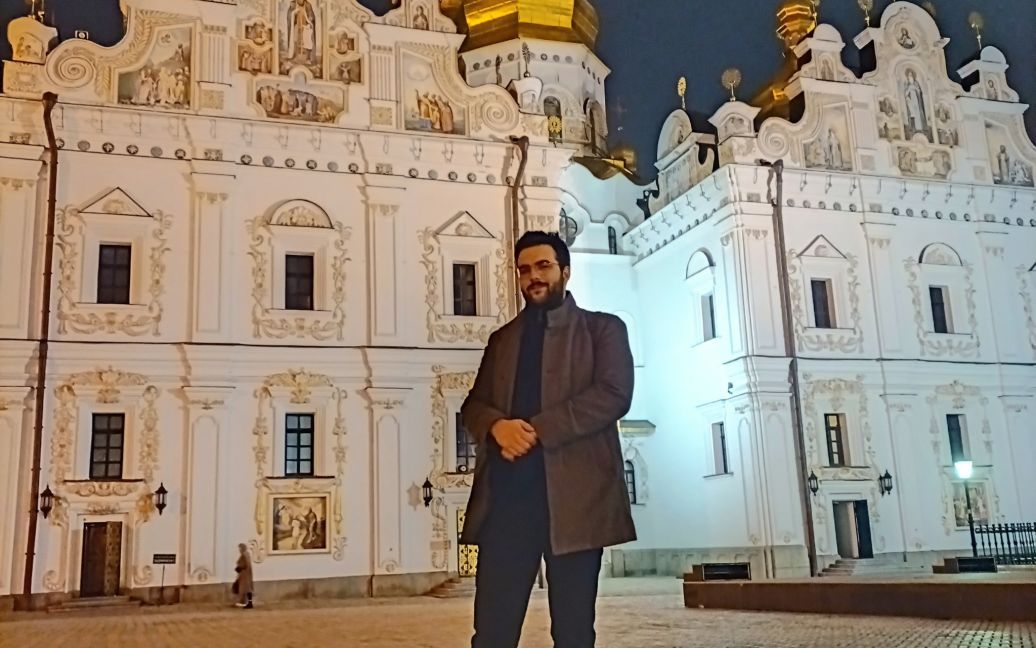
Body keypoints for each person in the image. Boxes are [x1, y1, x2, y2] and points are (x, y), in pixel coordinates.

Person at [461, 230, 636, 648]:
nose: (533, 277)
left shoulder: (603, 329)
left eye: (543, 266)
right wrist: (496, 426)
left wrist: (537, 429)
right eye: (524, 270)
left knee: (573, 633)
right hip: (508, 502)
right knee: (492, 634)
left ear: (565, 271)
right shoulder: (502, 340)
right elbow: (473, 405)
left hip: (576, 503)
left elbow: (613, 395)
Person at [233, 543, 254, 609]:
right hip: (246, 574)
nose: (239, 550)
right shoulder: (247, 554)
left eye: (240, 548)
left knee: (246, 588)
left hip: (245, 574)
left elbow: (244, 564)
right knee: (247, 588)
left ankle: (247, 603)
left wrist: (238, 568)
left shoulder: (244, 555)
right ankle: (247, 602)